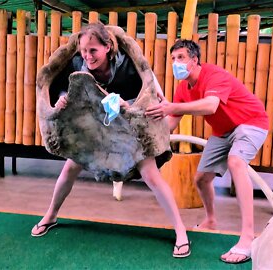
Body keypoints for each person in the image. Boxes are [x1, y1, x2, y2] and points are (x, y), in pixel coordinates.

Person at [32, 23, 191, 258]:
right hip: (94, 130)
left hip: (128, 127)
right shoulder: (77, 63)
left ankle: (181, 231)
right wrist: (62, 99)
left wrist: (129, 104)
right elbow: (60, 87)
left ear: (107, 47)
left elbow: (145, 90)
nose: (87, 56)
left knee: (151, 175)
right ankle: (51, 215)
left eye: (93, 50)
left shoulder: (127, 66)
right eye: (84, 50)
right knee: (69, 169)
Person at [145, 39, 269, 264]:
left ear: (194, 60)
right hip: (223, 131)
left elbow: (210, 105)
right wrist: (148, 126)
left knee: (236, 162)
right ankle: (211, 220)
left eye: (181, 58)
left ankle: (248, 238)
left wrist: (173, 106)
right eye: (173, 59)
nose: (176, 63)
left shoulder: (214, 75)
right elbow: (170, 123)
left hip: (251, 122)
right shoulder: (183, 88)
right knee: (201, 179)